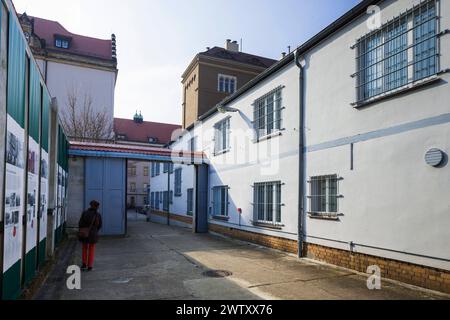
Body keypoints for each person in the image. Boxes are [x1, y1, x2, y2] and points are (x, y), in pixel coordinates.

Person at [78, 200, 102, 271]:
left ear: (90, 205)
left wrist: (83, 229)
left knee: (84, 248)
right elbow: (100, 225)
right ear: (97, 207)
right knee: (91, 249)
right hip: (93, 234)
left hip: (84, 233)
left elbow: (80, 223)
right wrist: (95, 230)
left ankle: (84, 264)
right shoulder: (97, 215)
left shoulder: (85, 213)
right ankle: (90, 266)